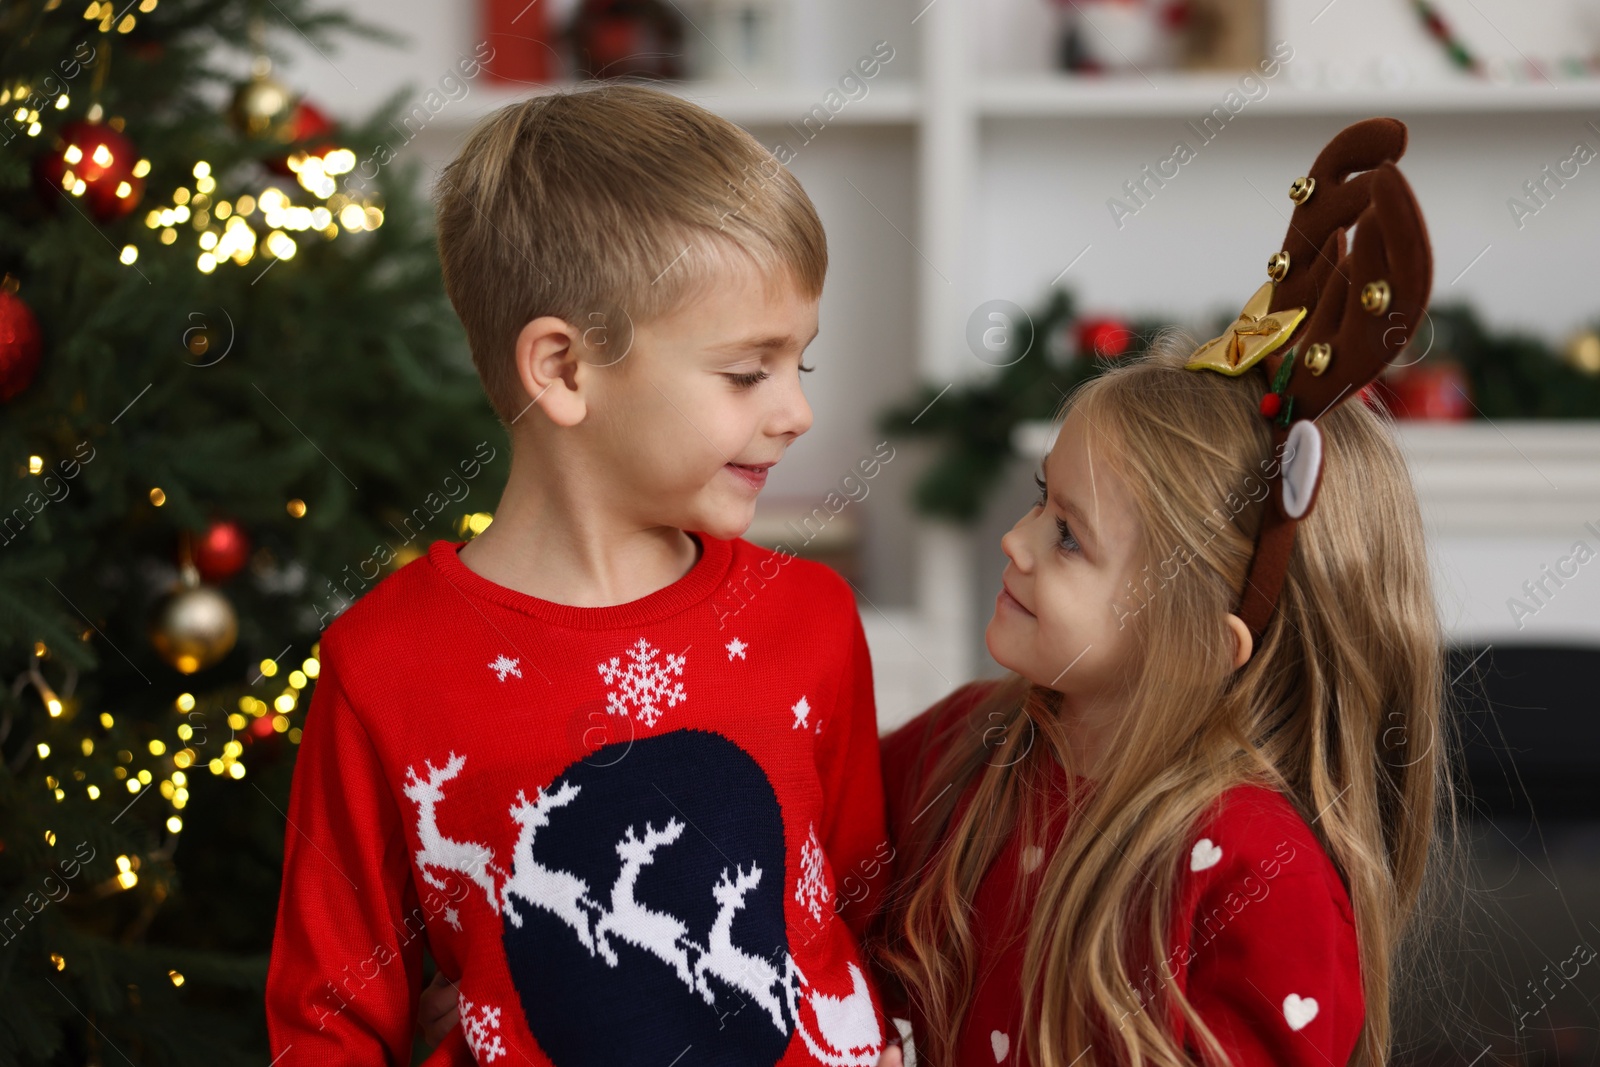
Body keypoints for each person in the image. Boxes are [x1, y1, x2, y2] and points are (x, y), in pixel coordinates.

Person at [265, 83, 901, 1066]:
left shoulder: (807, 617)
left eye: (799, 366)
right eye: (747, 372)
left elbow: (861, 915)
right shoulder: (385, 663)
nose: (795, 412)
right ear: (561, 369)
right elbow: (327, 1022)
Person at [868, 118, 1447, 1067]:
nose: (1012, 544)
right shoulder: (966, 743)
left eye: (1067, 535)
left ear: (1201, 642)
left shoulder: (1259, 875)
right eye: (1037, 501)